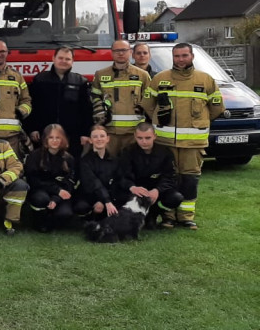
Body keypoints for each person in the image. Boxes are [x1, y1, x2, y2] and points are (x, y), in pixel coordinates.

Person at [141, 43, 224, 230]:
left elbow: (216, 108)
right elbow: (147, 104)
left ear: (192, 56)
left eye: (184, 55)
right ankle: (168, 217)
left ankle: (186, 217)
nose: (180, 59)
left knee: (189, 179)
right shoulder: (160, 79)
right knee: (167, 179)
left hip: (193, 143)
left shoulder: (206, 80)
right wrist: (159, 119)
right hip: (164, 142)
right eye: (177, 56)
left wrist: (199, 122)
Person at [25, 47, 93, 153]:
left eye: (67, 59)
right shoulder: (40, 80)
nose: (63, 61)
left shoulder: (80, 82)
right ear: (53, 59)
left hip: (72, 136)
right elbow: (32, 106)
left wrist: (85, 133)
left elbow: (86, 110)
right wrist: (32, 129)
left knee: (71, 165)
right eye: (60, 58)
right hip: (44, 134)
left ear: (72, 61)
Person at [91, 40, 151, 156]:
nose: (120, 53)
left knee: (133, 168)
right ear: (112, 53)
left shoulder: (142, 75)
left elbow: (150, 102)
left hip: (134, 133)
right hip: (109, 133)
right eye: (117, 51)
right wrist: (99, 109)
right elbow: (94, 96)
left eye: (124, 50)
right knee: (110, 166)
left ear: (130, 52)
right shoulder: (100, 74)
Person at [117, 123, 183, 229]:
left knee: (175, 198)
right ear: (135, 137)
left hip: (157, 191)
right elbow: (122, 175)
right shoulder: (128, 151)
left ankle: (157, 214)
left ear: (154, 136)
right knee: (118, 194)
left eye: (148, 138)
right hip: (137, 190)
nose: (144, 141)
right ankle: (130, 217)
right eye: (140, 138)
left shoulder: (165, 153)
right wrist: (132, 187)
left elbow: (170, 177)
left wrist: (157, 190)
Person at [24, 124, 77, 232]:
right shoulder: (35, 156)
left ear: (63, 139)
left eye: (58, 138)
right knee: (41, 199)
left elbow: (70, 183)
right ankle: (38, 221)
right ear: (45, 139)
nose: (54, 141)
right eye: (51, 137)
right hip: (40, 191)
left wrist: (55, 199)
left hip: (59, 195)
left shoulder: (69, 158)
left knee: (65, 214)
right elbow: (33, 180)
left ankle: (51, 218)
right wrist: (56, 190)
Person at [75, 125, 121, 221]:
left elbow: (116, 182)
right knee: (81, 207)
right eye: (95, 137)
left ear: (107, 139)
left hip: (108, 196)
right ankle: (90, 218)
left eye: (102, 136)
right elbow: (92, 183)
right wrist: (104, 201)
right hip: (89, 196)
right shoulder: (85, 161)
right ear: (90, 140)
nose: (99, 139)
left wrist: (105, 201)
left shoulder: (115, 160)